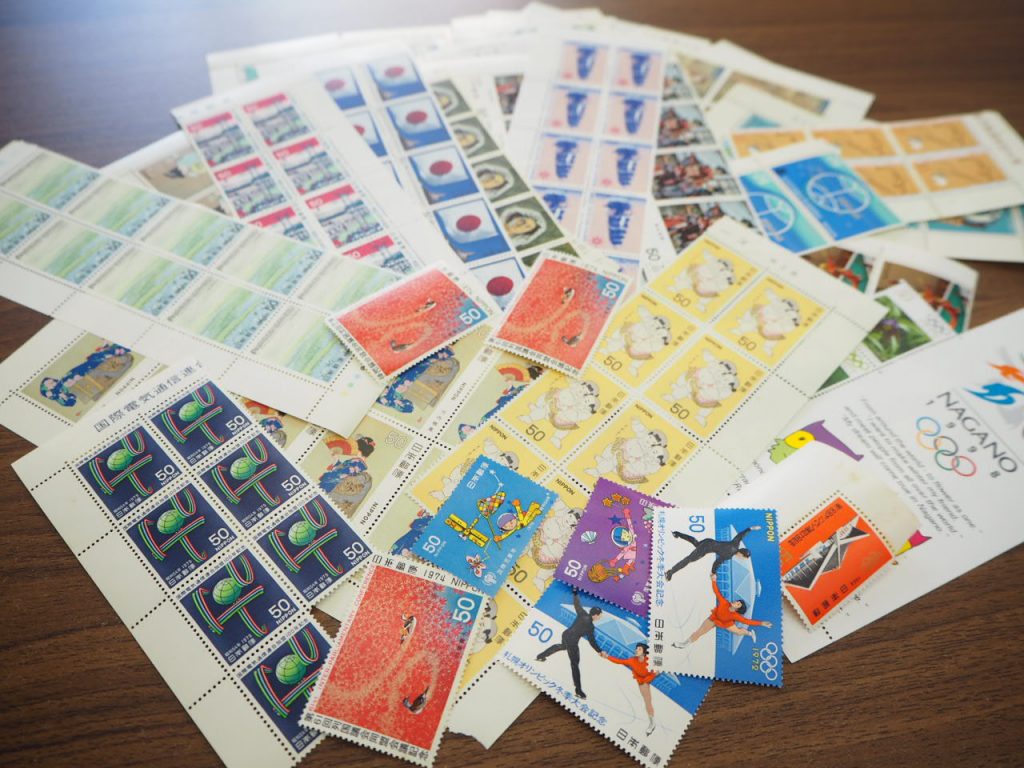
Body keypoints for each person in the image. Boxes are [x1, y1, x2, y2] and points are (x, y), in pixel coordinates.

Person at [535, 588, 603, 699]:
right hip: (572, 641)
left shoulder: (582, 614)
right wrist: (599, 651)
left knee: (562, 646)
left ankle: (541, 655)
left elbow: (577, 604)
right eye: (600, 615)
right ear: (596, 615)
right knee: (575, 664)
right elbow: (592, 641)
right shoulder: (590, 627)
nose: (600, 617)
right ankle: (578, 690)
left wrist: (575, 593)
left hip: (566, 634)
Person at [673, 573, 772, 647]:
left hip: (727, 623)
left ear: (737, 609)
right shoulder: (725, 602)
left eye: (738, 604)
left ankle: (749, 633)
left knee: (738, 632)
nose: (736, 602)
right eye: (737, 601)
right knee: (700, 632)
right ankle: (684, 644)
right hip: (714, 618)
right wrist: (713, 580)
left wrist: (761, 623)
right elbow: (717, 592)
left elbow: (747, 621)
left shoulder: (736, 616)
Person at [665, 525, 761, 580]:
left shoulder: (735, 544)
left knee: (696, 543)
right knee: (689, 559)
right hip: (705, 548)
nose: (741, 559)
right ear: (741, 554)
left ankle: (677, 533)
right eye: (743, 558)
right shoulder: (729, 555)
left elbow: (741, 535)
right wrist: (713, 572)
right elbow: (717, 562)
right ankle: (670, 572)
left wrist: (751, 528)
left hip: (709, 541)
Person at [604, 643, 658, 735]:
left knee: (647, 701)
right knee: (646, 699)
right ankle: (652, 722)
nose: (636, 650)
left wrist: (650, 677)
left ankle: (652, 723)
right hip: (640, 678)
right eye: (636, 648)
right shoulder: (632, 660)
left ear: (644, 652)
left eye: (639, 649)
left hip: (648, 677)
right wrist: (607, 656)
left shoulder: (650, 661)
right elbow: (619, 661)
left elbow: (656, 671)